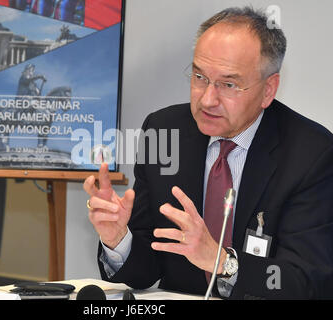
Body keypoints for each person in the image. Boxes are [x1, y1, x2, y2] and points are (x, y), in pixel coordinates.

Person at [83, 6, 333, 299]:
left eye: (228, 84)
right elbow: (147, 270)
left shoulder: (311, 154)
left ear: (268, 90)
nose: (207, 99)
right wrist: (118, 239)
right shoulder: (164, 131)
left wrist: (222, 262)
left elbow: (305, 279)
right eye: (200, 77)